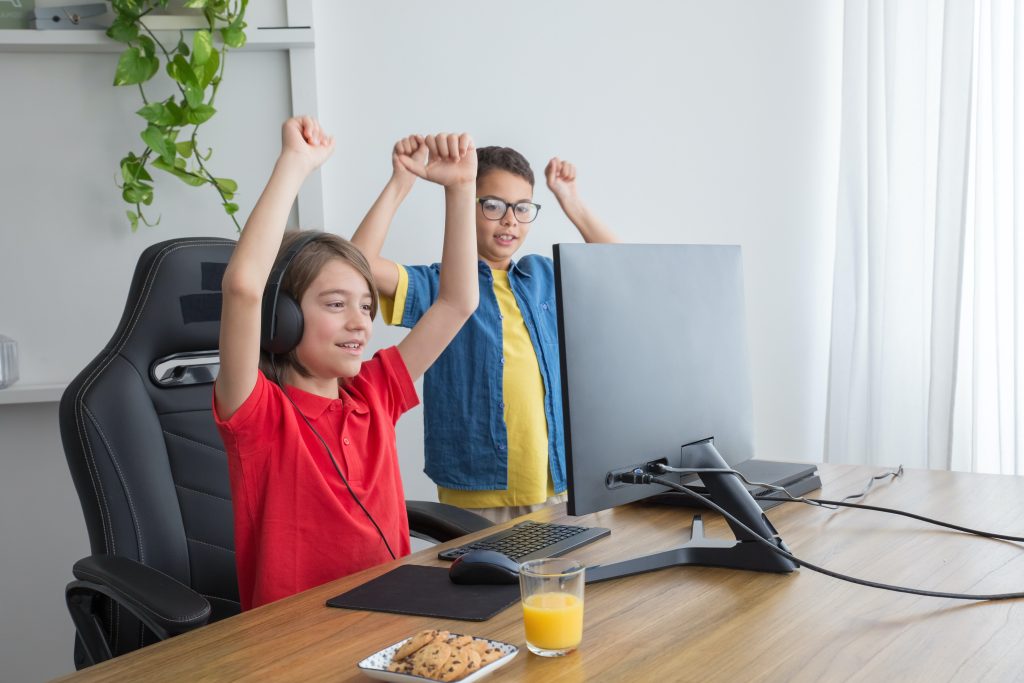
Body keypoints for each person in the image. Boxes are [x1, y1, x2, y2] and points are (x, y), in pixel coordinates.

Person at [214, 117, 479, 609]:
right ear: (282, 318)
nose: (360, 322)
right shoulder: (258, 415)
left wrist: (461, 189)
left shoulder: (375, 394)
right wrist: (295, 165)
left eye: (366, 306)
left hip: (391, 620)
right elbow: (245, 287)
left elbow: (457, 304)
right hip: (298, 638)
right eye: (336, 305)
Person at [352, 138, 616, 523]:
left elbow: (619, 267)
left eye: (522, 208)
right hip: (479, 491)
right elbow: (355, 264)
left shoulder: (544, 276)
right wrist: (401, 182)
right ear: (468, 202)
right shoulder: (441, 286)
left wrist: (571, 200)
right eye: (493, 205)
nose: (510, 220)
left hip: (558, 484)